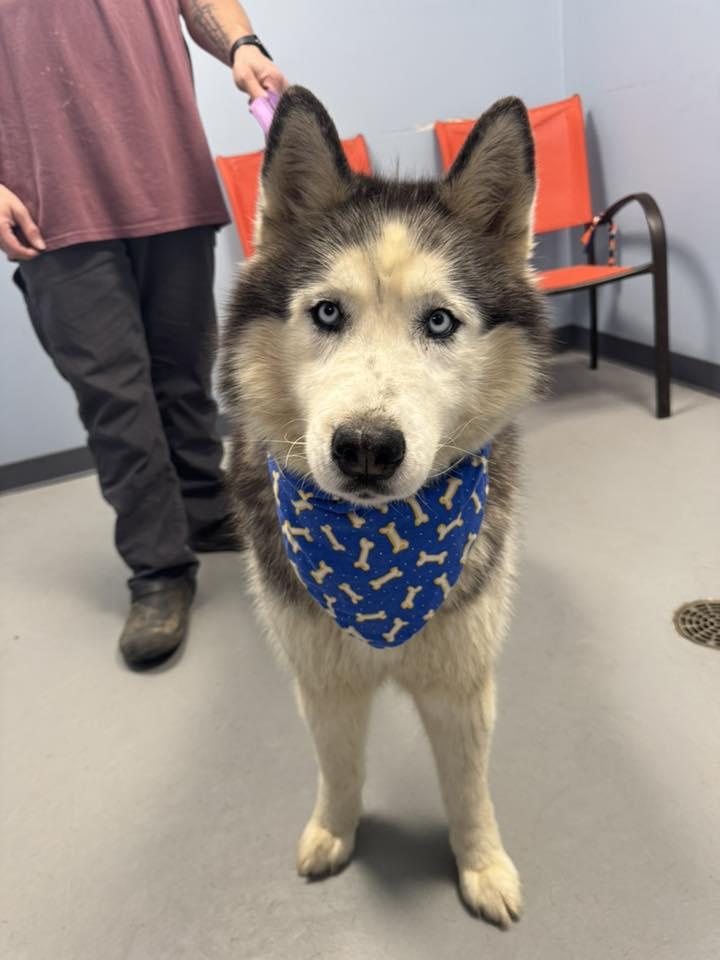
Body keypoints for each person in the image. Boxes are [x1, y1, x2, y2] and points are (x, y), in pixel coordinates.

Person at [0, 1, 287, 668]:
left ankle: (205, 513)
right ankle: (157, 570)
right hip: (50, 203)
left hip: (167, 175)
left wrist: (243, 44)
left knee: (188, 374)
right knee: (117, 401)